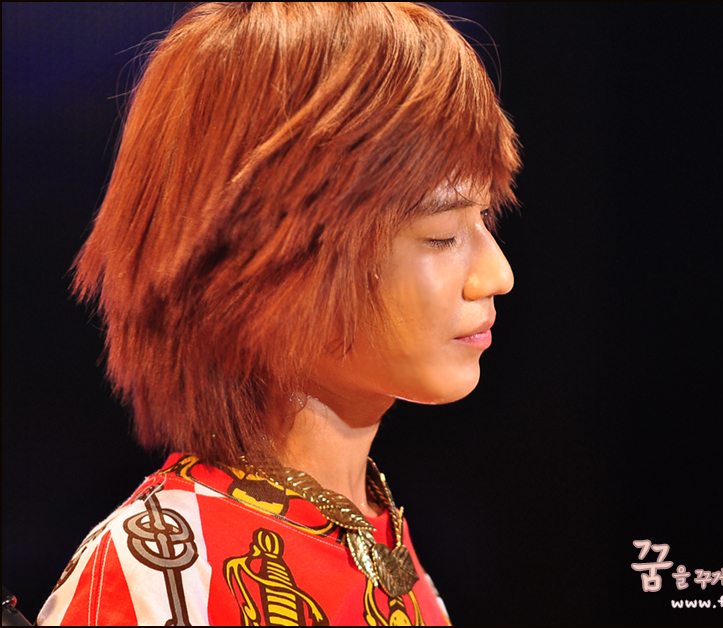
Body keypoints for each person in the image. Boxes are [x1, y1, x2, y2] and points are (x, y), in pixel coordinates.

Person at [37, 2, 520, 626]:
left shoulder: (387, 547)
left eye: (484, 219)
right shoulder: (160, 574)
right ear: (276, 255)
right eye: (441, 235)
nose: (497, 274)